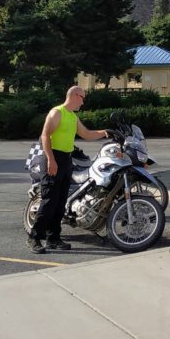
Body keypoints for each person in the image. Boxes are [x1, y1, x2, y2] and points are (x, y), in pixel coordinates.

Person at [27, 86, 111, 254]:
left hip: (66, 159)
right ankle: (34, 237)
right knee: (49, 201)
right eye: (82, 97)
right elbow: (45, 136)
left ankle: (53, 238)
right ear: (73, 95)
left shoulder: (72, 117)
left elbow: (86, 134)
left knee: (60, 203)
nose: (83, 101)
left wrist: (105, 132)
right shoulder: (57, 112)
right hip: (52, 157)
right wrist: (51, 159)